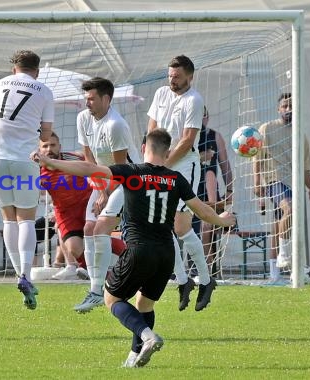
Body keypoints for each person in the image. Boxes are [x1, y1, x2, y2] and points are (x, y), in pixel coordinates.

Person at [34, 128, 236, 368]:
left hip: (140, 249)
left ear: (143, 149)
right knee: (144, 304)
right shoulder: (176, 179)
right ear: (168, 152)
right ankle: (134, 356)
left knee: (111, 299)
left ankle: (147, 336)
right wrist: (224, 221)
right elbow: (202, 211)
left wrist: (50, 162)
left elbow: (89, 169)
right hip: (166, 255)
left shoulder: (132, 174)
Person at [0, 50, 54, 310]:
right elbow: (46, 135)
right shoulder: (44, 90)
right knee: (26, 218)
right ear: (37, 70)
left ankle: (17, 274)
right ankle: (26, 274)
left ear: (14, 69)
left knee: (8, 218)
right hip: (24, 159)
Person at [147, 55, 216, 312]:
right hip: (160, 164)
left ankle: (206, 280)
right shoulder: (161, 93)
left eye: (176, 76)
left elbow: (187, 140)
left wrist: (164, 164)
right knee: (162, 226)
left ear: (189, 76)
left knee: (181, 226)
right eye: (169, 76)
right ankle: (184, 280)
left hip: (184, 166)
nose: (171, 80)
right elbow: (152, 129)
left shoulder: (194, 100)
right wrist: (150, 159)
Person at [74, 77, 140, 313]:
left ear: (106, 99)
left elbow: (122, 169)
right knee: (88, 229)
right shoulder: (83, 118)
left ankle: (96, 290)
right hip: (103, 180)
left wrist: (106, 194)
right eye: (86, 99)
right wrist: (101, 191)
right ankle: (95, 289)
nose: (87, 103)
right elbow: (88, 158)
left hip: (130, 181)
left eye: (91, 99)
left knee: (102, 228)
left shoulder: (116, 125)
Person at [253, 93, 310, 284]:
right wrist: (257, 183)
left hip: (294, 184)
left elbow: (305, 167)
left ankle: (274, 275)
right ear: (278, 108)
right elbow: (257, 158)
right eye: (285, 106)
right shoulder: (266, 129)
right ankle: (283, 254)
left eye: (291, 106)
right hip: (274, 181)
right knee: (288, 209)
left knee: (278, 226)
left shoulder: (301, 135)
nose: (288, 109)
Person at [37, 132, 93, 280]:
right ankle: (82, 268)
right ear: (39, 150)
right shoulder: (37, 170)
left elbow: (94, 165)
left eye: (53, 145)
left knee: (98, 236)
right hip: (65, 212)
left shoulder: (76, 157)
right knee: (74, 247)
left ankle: (118, 260)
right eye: (45, 146)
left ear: (60, 147)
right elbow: (35, 193)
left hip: (87, 205)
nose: (49, 149)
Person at [191, 106, 234, 272]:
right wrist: (200, 157)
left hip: (209, 192)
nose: (201, 120)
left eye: (204, 116)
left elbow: (225, 167)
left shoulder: (214, 136)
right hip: (188, 191)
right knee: (188, 229)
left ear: (207, 118)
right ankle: (185, 269)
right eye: (197, 116)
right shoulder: (185, 137)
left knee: (207, 226)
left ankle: (207, 270)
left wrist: (230, 191)